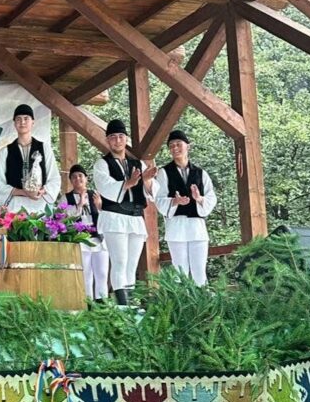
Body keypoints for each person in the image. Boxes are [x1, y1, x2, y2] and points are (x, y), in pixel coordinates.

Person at [92, 119, 159, 306]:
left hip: (135, 217)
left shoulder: (137, 164)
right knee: (119, 262)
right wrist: (128, 184)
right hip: (114, 217)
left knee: (131, 265)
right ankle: (123, 306)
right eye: (113, 137)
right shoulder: (102, 164)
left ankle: (130, 305)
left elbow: (153, 190)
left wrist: (146, 180)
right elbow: (104, 186)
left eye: (121, 136)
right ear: (107, 140)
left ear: (126, 139)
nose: (117, 140)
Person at [154, 129, 218, 286]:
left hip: (197, 227)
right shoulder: (164, 173)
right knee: (180, 272)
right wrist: (175, 202)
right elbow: (159, 199)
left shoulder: (201, 173)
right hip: (176, 227)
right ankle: (181, 300)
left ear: (187, 146)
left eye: (178, 144)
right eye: (171, 145)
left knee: (199, 271)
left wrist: (199, 198)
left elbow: (211, 198)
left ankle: (202, 299)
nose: (175, 148)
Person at [0, 103, 59, 213]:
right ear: (14, 123)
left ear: (33, 122)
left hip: (39, 207)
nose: (22, 122)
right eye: (18, 119)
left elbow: (54, 177)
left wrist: (42, 191)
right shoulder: (5, 152)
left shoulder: (44, 148)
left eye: (26, 118)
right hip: (14, 207)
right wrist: (22, 192)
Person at [65, 164, 107, 302]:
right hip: (80, 240)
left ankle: (102, 303)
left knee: (102, 273)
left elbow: (107, 215)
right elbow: (64, 218)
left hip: (98, 239)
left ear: (86, 178)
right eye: (74, 177)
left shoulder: (96, 194)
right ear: (71, 180)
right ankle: (88, 303)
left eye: (80, 176)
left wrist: (100, 206)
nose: (78, 179)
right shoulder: (66, 198)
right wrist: (79, 205)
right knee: (86, 274)